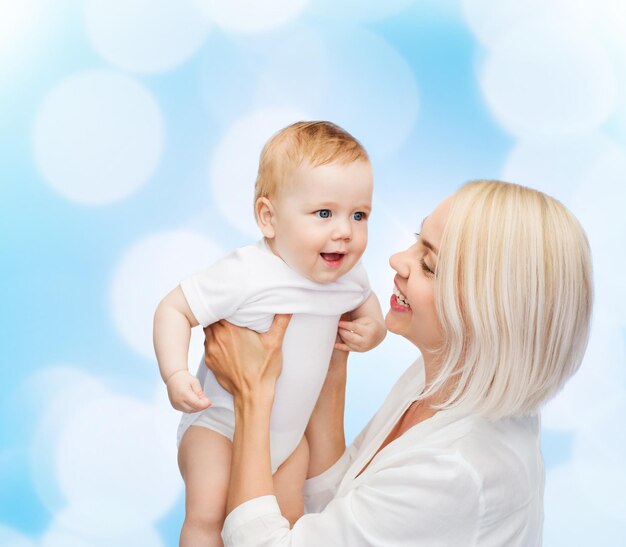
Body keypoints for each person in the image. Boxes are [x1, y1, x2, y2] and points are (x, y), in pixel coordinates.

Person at [202, 179, 593, 546]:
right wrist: (333, 366)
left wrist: (253, 394)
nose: (396, 260)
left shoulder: (458, 469)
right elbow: (345, 504)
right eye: (416, 241)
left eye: (429, 265)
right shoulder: (445, 377)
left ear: (490, 314)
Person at [153, 121, 387, 546]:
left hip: (288, 439)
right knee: (209, 516)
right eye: (324, 213)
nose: (345, 231)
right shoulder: (247, 273)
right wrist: (174, 375)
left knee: (288, 523)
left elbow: (368, 309)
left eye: (359, 215)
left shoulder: (349, 278)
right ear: (268, 218)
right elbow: (173, 309)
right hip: (220, 427)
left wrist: (373, 332)